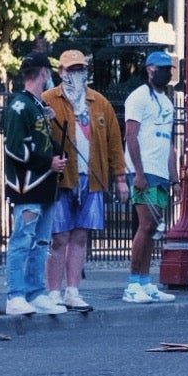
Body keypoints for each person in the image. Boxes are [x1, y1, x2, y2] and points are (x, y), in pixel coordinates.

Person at [43, 50, 129, 311]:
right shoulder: (48, 100)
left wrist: (120, 178)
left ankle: (72, 291)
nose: (75, 75)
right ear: (60, 72)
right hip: (61, 179)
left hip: (91, 179)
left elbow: (115, 143)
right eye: (70, 70)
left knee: (80, 237)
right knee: (59, 237)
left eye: (80, 69)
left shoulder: (100, 103)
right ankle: (53, 291)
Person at [4, 55, 67, 316]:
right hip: (27, 186)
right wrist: (48, 162)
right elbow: (16, 149)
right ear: (42, 72)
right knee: (22, 240)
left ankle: (35, 292)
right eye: (48, 72)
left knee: (41, 241)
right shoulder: (20, 106)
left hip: (44, 185)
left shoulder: (37, 105)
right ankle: (15, 295)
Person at [122, 50, 179, 303]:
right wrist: (139, 173)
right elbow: (131, 136)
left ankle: (145, 282)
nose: (167, 73)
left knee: (153, 227)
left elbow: (169, 144)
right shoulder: (138, 98)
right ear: (149, 69)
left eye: (170, 69)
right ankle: (133, 283)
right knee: (145, 226)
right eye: (162, 68)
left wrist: (175, 179)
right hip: (143, 171)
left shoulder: (167, 103)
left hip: (161, 172)